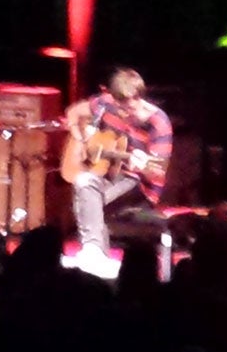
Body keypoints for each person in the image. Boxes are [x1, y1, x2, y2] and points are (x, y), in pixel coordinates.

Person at [63, 68, 173, 280]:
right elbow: (73, 113)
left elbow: (157, 171)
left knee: (85, 187)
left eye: (130, 108)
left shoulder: (158, 123)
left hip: (138, 183)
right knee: (85, 184)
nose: (125, 114)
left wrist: (141, 165)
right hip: (108, 175)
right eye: (120, 107)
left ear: (139, 97)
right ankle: (96, 259)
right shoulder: (105, 103)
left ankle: (94, 253)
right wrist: (82, 139)